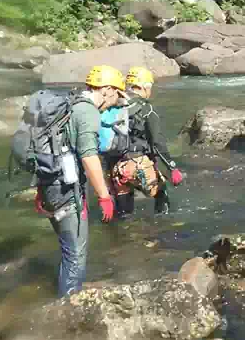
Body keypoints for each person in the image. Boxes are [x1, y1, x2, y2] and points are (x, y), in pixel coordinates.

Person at [35, 65, 123, 297]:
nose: (115, 102)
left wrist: (41, 190)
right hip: (66, 192)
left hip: (50, 186)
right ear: (106, 89)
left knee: (68, 251)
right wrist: (104, 196)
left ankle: (64, 298)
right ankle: (68, 314)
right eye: (116, 94)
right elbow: (89, 156)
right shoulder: (87, 112)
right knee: (75, 255)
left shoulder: (69, 104)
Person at [104, 66, 184, 219]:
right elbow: (157, 142)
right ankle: (161, 226)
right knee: (161, 193)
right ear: (143, 87)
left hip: (114, 167)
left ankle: (124, 237)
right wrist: (171, 167)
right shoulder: (146, 108)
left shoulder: (114, 104)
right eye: (150, 87)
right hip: (138, 163)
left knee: (124, 214)